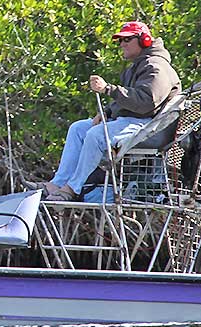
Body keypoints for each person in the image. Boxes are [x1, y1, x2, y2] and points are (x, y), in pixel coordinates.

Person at [39, 21, 181, 201]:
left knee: (97, 135)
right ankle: (56, 184)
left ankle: (72, 189)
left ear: (143, 40)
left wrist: (108, 89)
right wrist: (107, 113)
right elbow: (128, 102)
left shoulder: (155, 66)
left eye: (127, 39)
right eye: (120, 41)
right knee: (78, 128)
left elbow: (146, 102)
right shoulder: (139, 65)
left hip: (151, 127)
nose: (122, 44)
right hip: (133, 121)